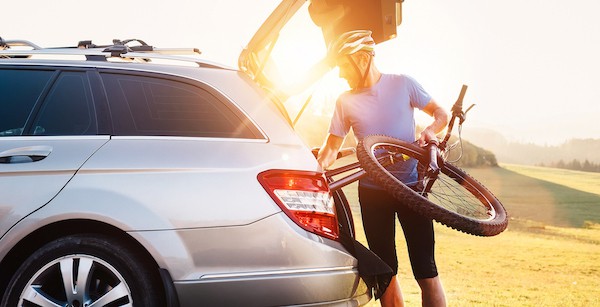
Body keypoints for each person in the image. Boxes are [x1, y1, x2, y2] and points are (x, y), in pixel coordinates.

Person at [317, 30, 449, 307]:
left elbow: (441, 114)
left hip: (411, 188)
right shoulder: (345, 101)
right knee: (385, 274)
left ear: (361, 59)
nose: (341, 74)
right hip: (373, 194)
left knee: (426, 271)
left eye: (343, 65)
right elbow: (329, 150)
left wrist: (430, 131)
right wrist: (314, 172)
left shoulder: (403, 84)